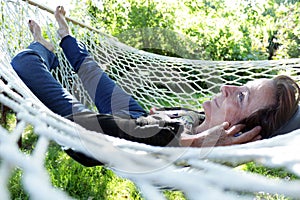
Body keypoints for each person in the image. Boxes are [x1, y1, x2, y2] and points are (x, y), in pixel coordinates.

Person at [11, 6, 300, 151]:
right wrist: (169, 121)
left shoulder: (201, 156)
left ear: (240, 133)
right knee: (92, 72)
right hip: (139, 117)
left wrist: (193, 142)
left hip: (103, 139)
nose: (226, 87)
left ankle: (44, 48)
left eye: (241, 96)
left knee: (26, 62)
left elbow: (135, 140)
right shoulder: (198, 122)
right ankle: (65, 37)